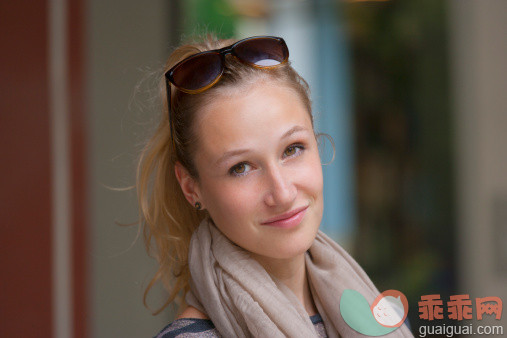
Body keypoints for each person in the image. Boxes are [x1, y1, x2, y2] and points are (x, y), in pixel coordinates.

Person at [137, 35, 413, 337]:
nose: (282, 193)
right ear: (192, 189)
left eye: (292, 149)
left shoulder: (379, 316)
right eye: (240, 168)